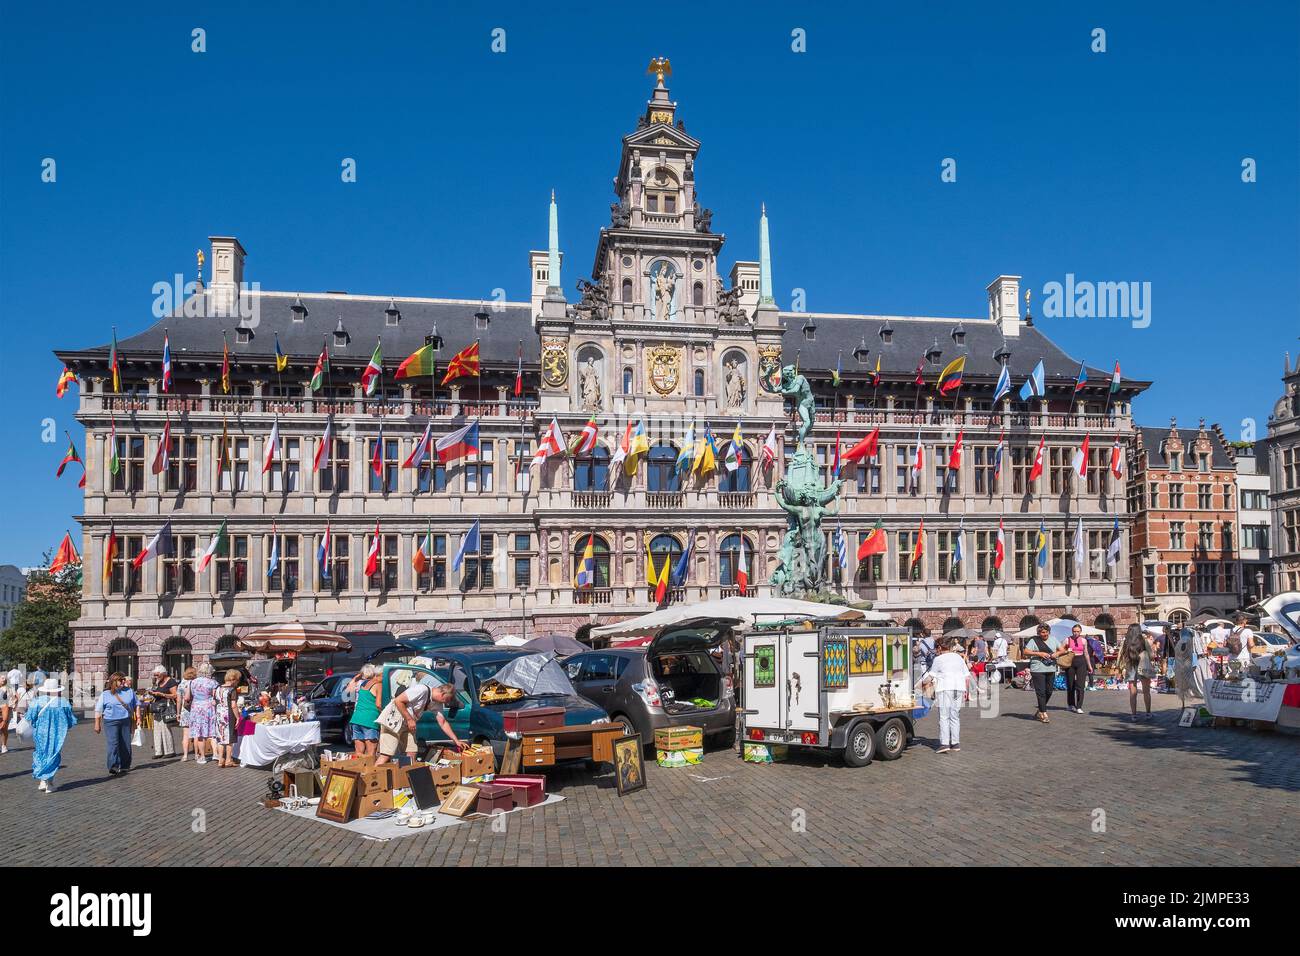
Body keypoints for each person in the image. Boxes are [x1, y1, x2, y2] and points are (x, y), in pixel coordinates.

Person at [375, 667, 465, 765]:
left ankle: (407, 776)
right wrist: (409, 719)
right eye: (448, 699)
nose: (448, 702)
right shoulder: (421, 690)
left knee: (412, 752)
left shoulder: (437, 703)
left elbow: (443, 722)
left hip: (407, 725)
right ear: (443, 694)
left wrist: (456, 740)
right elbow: (398, 700)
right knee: (386, 755)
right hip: (393, 720)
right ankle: (373, 777)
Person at [918, 638, 973, 753]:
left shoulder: (938, 659)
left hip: (945, 688)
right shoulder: (958, 657)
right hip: (959, 688)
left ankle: (944, 743)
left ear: (939, 648)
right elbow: (967, 674)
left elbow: (931, 676)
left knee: (944, 716)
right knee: (955, 716)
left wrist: (921, 683)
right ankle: (955, 743)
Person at [27, 677, 76, 792]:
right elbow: (70, 720)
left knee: (40, 754)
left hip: (40, 733)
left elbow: (30, 717)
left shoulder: (37, 701)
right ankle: (49, 783)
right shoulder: (63, 702)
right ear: (57, 690)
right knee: (53, 755)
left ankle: (43, 781)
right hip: (57, 734)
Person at [94, 672, 140, 775]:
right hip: (110, 721)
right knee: (113, 744)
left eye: (124, 679)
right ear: (114, 682)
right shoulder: (105, 694)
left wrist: (138, 718)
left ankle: (125, 765)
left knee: (125, 743)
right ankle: (113, 766)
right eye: (121, 680)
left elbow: (137, 704)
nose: (124, 681)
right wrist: (97, 724)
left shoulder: (130, 691)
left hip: (125, 721)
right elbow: (98, 709)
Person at [1118, 624, 1158, 721]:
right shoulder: (1143, 640)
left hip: (1130, 665)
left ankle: (1134, 715)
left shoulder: (1125, 641)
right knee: (1146, 691)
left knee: (1132, 692)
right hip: (1143, 666)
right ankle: (1148, 713)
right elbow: (1151, 655)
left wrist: (1119, 668)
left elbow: (1120, 655)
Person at [1024, 623, 1061, 723]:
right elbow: (1026, 652)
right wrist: (1039, 653)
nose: (1044, 634)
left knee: (1049, 691)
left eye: (1046, 632)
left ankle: (1040, 709)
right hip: (1037, 669)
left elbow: (1062, 650)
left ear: (1049, 632)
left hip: (1051, 668)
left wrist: (1056, 654)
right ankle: (1043, 713)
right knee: (1041, 692)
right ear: (1039, 633)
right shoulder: (1034, 640)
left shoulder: (1053, 639)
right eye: (1042, 632)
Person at [186, 663, 220, 765]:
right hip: (208, 708)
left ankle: (203, 757)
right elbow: (216, 697)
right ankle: (215, 754)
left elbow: (187, 697)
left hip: (196, 708)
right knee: (212, 732)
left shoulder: (192, 682)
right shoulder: (213, 682)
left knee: (200, 733)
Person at [345, 664, 382, 757]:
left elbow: (347, 691)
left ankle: (358, 770)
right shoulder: (378, 685)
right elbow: (378, 704)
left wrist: (357, 676)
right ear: (379, 674)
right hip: (369, 720)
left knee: (358, 752)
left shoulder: (362, 684)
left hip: (356, 718)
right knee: (370, 754)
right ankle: (370, 771)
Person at [145, 665, 179, 758]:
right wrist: (152, 693)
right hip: (157, 708)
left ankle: (170, 751)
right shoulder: (158, 682)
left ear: (163, 674)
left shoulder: (171, 681)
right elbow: (155, 691)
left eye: (157, 675)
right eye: (155, 675)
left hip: (166, 707)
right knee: (156, 729)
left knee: (165, 729)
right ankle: (158, 751)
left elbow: (175, 695)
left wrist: (162, 694)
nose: (156, 677)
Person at [1062, 623, 1095, 715]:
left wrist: (1089, 666)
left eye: (1077, 631)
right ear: (1072, 631)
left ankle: (1079, 706)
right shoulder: (1067, 640)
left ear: (1080, 632)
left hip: (1081, 662)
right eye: (1074, 631)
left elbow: (1086, 654)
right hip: (1070, 662)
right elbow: (1060, 650)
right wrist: (1066, 650)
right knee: (1070, 684)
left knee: (1080, 685)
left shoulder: (1084, 641)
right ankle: (1071, 704)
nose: (1075, 633)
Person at [213, 669, 241, 768]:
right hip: (228, 715)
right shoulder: (232, 690)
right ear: (234, 679)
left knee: (221, 738)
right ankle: (228, 759)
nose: (237, 682)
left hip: (219, 714)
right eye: (237, 680)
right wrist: (238, 717)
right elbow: (233, 705)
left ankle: (221, 759)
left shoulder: (218, 688)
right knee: (230, 739)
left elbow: (214, 702)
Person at [177, 665, 196, 761]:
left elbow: (179, 700)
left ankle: (185, 755)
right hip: (195, 709)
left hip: (185, 710)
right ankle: (197, 754)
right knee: (196, 734)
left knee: (186, 734)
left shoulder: (181, 685)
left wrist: (178, 713)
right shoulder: (196, 683)